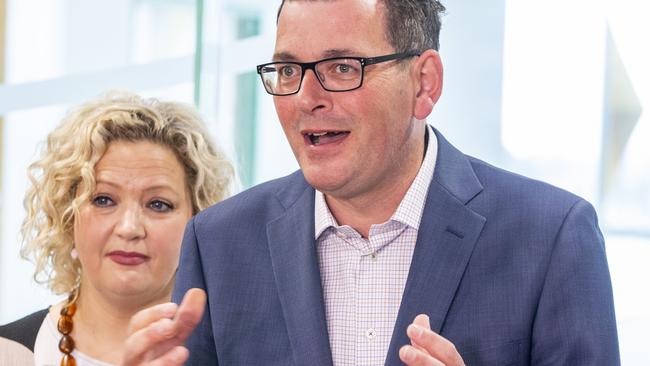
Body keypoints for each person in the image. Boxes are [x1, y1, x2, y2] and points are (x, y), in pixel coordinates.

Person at [123, 1, 620, 365]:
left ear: (424, 84)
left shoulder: (551, 236)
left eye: (342, 67)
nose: (306, 98)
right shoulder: (220, 242)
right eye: (289, 69)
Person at [0, 92, 234, 366]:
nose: (129, 228)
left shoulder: (237, 354)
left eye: (158, 204)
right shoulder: (9, 353)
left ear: (198, 219)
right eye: (103, 200)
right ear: (67, 215)